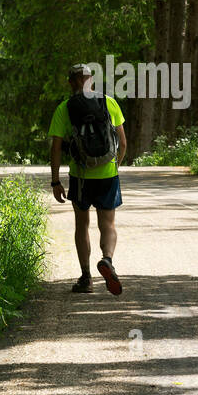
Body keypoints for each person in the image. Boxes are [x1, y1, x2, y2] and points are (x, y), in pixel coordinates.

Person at [48, 62, 127, 294]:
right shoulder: (108, 102)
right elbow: (122, 143)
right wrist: (115, 165)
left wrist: (55, 180)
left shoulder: (65, 108)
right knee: (108, 224)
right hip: (107, 174)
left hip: (80, 176)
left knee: (82, 224)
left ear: (71, 82)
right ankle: (108, 260)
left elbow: (56, 147)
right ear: (91, 79)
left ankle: (86, 278)